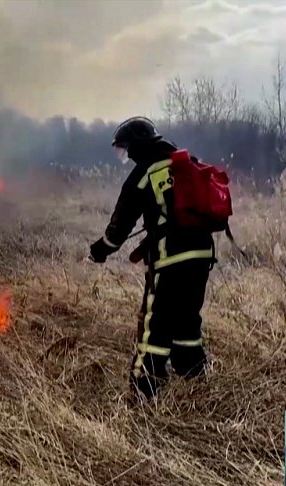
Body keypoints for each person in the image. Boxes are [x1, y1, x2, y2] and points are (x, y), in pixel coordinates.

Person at [88, 116, 215, 400]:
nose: (128, 156)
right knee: (187, 320)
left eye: (127, 150)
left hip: (171, 260)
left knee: (155, 326)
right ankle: (194, 379)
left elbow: (120, 226)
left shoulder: (144, 173)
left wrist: (101, 250)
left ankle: (143, 391)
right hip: (202, 255)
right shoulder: (185, 162)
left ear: (138, 146)